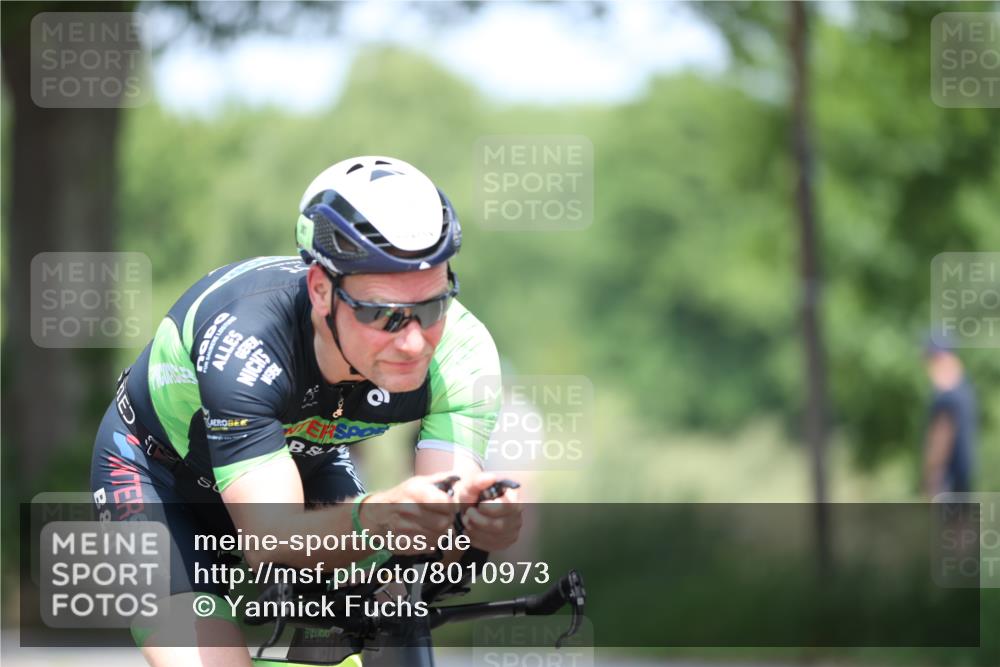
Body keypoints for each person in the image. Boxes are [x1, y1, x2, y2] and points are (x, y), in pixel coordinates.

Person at [90, 156, 522, 666]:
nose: (412, 341)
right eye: (384, 313)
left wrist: (475, 531)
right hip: (157, 480)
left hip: (302, 463)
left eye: (432, 306)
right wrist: (377, 520)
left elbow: (437, 541)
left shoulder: (462, 354)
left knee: (394, 612)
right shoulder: (247, 345)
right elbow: (272, 541)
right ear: (321, 290)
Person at [923, 339, 978, 497]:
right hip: (964, 483)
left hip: (947, 483)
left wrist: (932, 476)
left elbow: (941, 439)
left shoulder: (946, 397)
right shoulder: (966, 392)